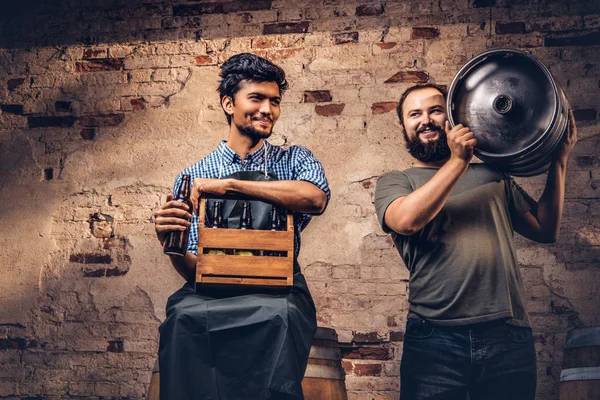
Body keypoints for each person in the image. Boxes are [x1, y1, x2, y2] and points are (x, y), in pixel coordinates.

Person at [374, 83, 577, 400]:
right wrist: (459, 161)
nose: (426, 120)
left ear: (453, 116)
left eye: (435, 110)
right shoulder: (396, 181)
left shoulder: (492, 175)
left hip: (506, 334)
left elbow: (545, 229)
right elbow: (406, 221)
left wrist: (559, 161)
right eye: (415, 114)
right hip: (433, 338)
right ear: (403, 125)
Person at [153, 53, 330, 400]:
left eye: (275, 101)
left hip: (280, 290)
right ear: (228, 103)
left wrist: (228, 186)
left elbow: (315, 199)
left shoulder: (295, 160)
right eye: (257, 98)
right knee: (180, 319)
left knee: (282, 317)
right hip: (212, 290)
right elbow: (194, 272)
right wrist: (170, 246)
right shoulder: (192, 176)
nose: (268, 109)